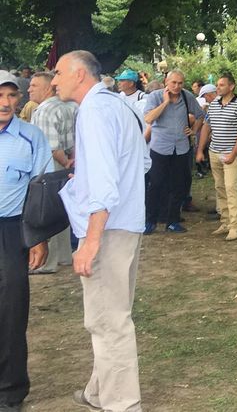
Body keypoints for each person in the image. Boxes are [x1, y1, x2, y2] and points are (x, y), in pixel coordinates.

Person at [52, 50, 149, 412]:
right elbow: (142, 162)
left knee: (109, 321)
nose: (54, 80)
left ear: (79, 74)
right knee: (108, 314)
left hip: (107, 229)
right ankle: (98, 392)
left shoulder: (94, 110)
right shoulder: (118, 105)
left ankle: (122, 404)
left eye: (58, 72)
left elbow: (105, 184)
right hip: (124, 224)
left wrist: (91, 242)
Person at [0, 70, 51, 412]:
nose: (5, 103)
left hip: (12, 230)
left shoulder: (32, 137)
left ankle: (9, 391)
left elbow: (41, 191)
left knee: (11, 311)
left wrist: (38, 238)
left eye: (11, 95)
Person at [27, 71, 76, 274]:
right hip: (63, 163)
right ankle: (64, 256)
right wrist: (70, 163)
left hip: (48, 165)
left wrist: (64, 163)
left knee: (45, 211)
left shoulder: (44, 110)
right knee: (60, 209)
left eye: (34, 85)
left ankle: (47, 263)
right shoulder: (65, 106)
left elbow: (51, 147)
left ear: (48, 88)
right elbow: (71, 141)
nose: (29, 89)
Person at [143, 70, 204, 233]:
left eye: (180, 83)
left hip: (181, 147)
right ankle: (150, 221)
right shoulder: (155, 96)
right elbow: (148, 118)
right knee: (156, 184)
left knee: (178, 185)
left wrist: (193, 130)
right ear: (166, 82)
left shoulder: (187, 96)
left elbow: (200, 115)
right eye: (173, 83)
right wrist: (165, 102)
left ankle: (173, 221)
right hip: (160, 147)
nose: (177, 86)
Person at [197, 72, 237, 242]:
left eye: (221, 85)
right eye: (217, 85)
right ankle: (225, 222)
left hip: (231, 153)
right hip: (214, 152)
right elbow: (207, 126)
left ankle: (235, 226)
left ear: (231, 86)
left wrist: (233, 154)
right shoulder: (214, 104)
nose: (218, 88)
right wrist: (200, 150)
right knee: (220, 187)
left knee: (230, 187)